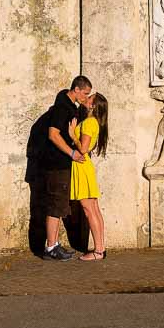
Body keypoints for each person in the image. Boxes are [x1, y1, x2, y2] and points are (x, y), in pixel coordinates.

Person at [41, 75, 91, 261]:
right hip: (57, 164)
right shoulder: (63, 107)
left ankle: (53, 244)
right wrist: (72, 153)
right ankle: (51, 247)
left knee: (59, 205)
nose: (86, 97)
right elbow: (53, 135)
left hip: (61, 164)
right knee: (55, 205)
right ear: (76, 89)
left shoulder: (69, 106)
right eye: (85, 94)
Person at [69, 91, 109, 261]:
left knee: (88, 209)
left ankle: (98, 251)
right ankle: (101, 248)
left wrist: (72, 135)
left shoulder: (89, 123)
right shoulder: (93, 122)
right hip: (86, 167)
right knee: (93, 209)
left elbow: (83, 149)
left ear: (93, 106)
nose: (86, 98)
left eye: (89, 98)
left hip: (81, 166)